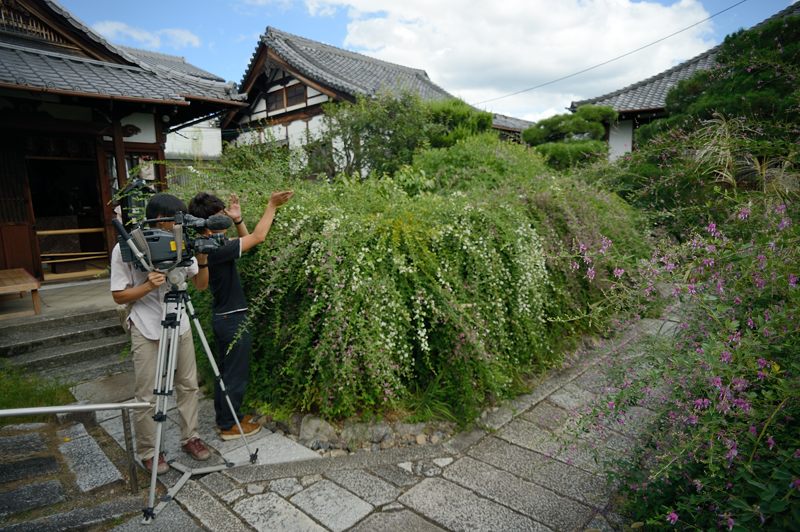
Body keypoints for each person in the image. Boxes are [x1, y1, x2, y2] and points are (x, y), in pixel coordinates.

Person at [110, 193, 211, 474]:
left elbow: (201, 285)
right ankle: (150, 451)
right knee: (147, 394)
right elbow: (119, 295)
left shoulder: (182, 242)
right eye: (173, 221)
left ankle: (191, 437)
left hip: (179, 322)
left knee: (188, 385)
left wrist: (202, 258)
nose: (178, 226)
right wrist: (148, 286)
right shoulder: (127, 248)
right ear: (157, 220)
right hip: (145, 325)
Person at [188, 189, 293, 440]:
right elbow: (258, 237)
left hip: (224, 317)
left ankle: (227, 418)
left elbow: (246, 243)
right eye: (219, 217)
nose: (223, 219)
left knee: (226, 373)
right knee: (235, 375)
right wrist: (272, 205)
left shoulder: (214, 246)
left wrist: (237, 220)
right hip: (232, 319)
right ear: (206, 224)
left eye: (224, 214)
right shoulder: (216, 249)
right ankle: (228, 426)